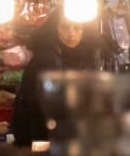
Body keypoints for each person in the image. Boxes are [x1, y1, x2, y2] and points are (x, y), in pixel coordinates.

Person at [11, 9, 97, 147]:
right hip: (42, 139)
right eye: (64, 27)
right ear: (54, 29)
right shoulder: (48, 59)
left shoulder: (80, 58)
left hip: (53, 138)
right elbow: (42, 107)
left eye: (77, 28)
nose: (71, 34)